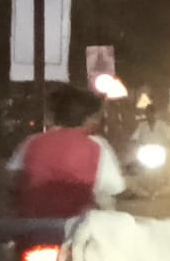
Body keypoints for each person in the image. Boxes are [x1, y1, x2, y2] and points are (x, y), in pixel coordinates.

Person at [7, 85, 127, 220]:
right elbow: (115, 187)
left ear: (53, 115)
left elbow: (12, 179)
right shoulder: (97, 145)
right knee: (107, 203)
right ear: (87, 118)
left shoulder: (31, 142)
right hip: (78, 226)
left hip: (31, 225)